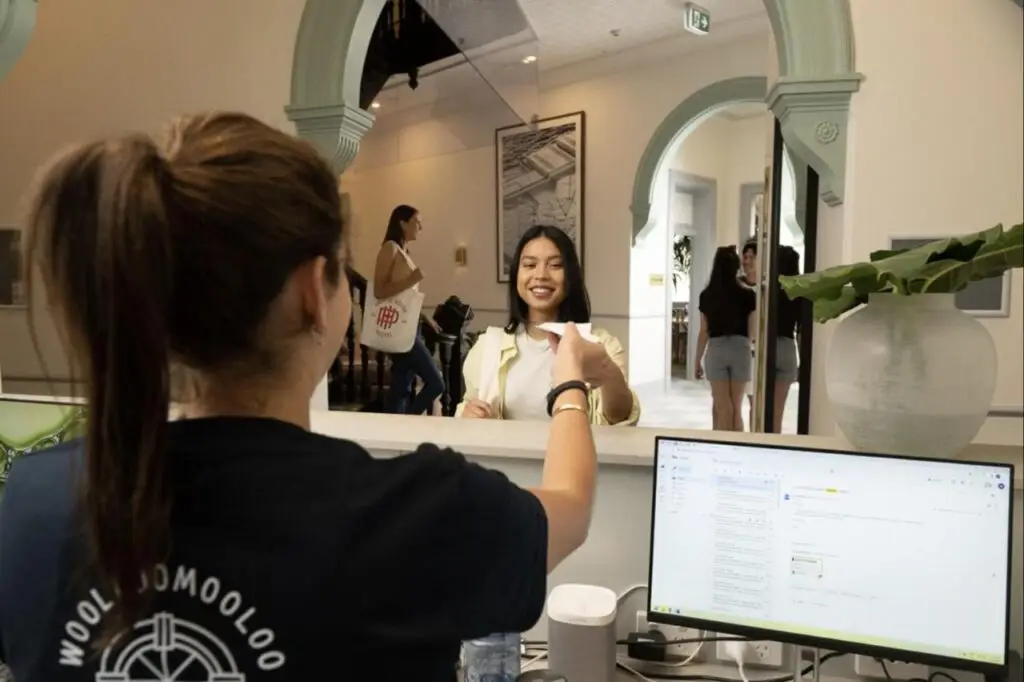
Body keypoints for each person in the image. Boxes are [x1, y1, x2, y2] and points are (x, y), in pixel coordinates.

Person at [0, 113, 608, 681]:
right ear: (311, 293)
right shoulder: (419, 514)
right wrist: (573, 381)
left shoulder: (33, 499)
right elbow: (571, 510)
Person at [457, 225, 640, 425]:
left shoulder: (600, 344)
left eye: (555, 265)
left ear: (570, 276)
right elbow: (467, 408)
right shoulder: (488, 347)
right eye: (529, 265)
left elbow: (619, 417)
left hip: (575, 456)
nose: (541, 275)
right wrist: (469, 415)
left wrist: (606, 370)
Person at [372, 204, 444, 415]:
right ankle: (408, 423)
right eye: (417, 222)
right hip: (401, 329)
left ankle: (394, 429)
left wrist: (426, 318)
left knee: (401, 387)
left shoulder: (404, 251)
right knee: (436, 383)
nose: (420, 227)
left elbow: (404, 298)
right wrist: (412, 279)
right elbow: (379, 290)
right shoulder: (390, 249)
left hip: (411, 325)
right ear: (402, 223)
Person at [695, 246, 756, 431]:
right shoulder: (748, 294)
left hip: (717, 350)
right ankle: (737, 451)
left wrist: (697, 360)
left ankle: (721, 451)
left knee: (723, 408)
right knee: (736, 408)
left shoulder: (707, 295)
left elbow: (704, 331)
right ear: (736, 266)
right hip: (741, 349)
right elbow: (753, 331)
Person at [770, 245, 802, 433]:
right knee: (778, 410)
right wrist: (802, 363)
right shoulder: (798, 293)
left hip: (769, 346)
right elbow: (800, 331)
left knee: (762, 407)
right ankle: (774, 442)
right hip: (788, 348)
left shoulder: (770, 290)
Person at [740, 238, 759, 427]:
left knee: (756, 401)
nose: (747, 261)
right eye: (745, 257)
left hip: (758, 350)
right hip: (741, 348)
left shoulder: (765, 286)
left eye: (751, 257)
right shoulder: (737, 285)